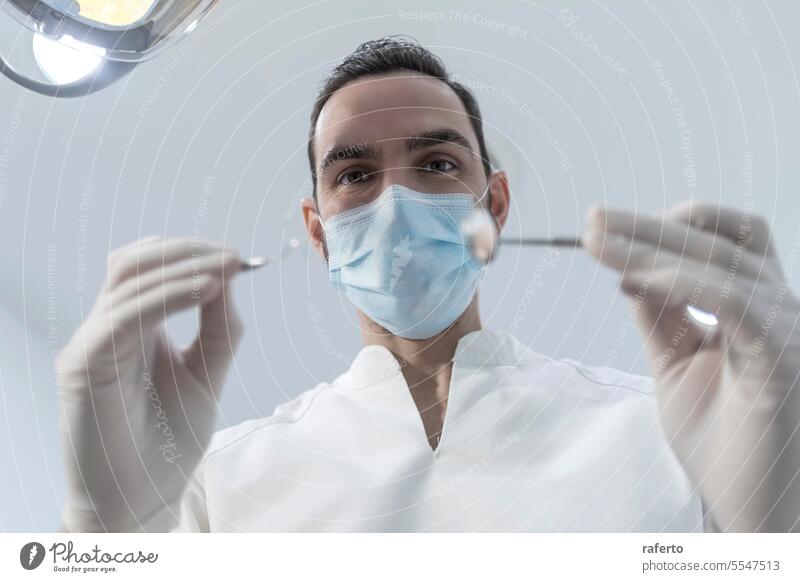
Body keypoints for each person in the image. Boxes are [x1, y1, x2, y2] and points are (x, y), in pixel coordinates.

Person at [55, 36, 800, 533]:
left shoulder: (668, 436)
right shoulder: (223, 483)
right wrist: (101, 538)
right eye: (354, 174)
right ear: (318, 232)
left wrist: (773, 536)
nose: (396, 202)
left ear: (494, 205)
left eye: (438, 164)